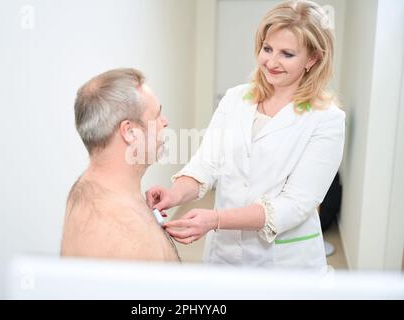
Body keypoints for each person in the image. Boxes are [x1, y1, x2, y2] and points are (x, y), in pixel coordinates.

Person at [146, 0, 345, 269]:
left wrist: (216, 219)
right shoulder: (236, 98)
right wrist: (175, 194)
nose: (271, 62)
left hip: (283, 263)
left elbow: (295, 204)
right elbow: (206, 163)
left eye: (287, 54)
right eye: (267, 48)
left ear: (313, 59)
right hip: (224, 255)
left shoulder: (327, 119)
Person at [61, 68, 179, 262]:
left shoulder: (84, 190)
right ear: (130, 132)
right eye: (157, 115)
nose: (164, 122)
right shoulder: (131, 239)